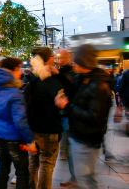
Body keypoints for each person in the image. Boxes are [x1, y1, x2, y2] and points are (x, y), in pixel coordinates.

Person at [55, 44, 112, 189]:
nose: (72, 63)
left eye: (76, 60)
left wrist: (66, 106)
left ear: (83, 62)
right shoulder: (83, 78)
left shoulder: (98, 84)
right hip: (79, 134)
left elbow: (93, 116)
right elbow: (74, 94)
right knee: (85, 178)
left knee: (85, 179)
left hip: (87, 138)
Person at [0, 57, 36, 189]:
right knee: (22, 172)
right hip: (15, 139)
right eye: (19, 68)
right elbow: (20, 120)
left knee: (2, 170)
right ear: (14, 70)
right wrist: (30, 140)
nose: (20, 72)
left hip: (0, 136)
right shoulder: (15, 93)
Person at [23, 47, 63, 189]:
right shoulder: (53, 82)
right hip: (50, 129)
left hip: (34, 129)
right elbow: (63, 104)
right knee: (46, 164)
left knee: (33, 163)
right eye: (52, 56)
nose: (54, 58)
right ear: (48, 59)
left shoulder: (30, 82)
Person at [56, 49, 77, 187]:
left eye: (61, 57)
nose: (59, 59)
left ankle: (76, 178)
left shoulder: (69, 73)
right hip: (65, 115)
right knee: (68, 146)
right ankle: (76, 177)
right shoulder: (65, 72)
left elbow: (70, 89)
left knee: (71, 147)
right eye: (58, 57)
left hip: (68, 115)